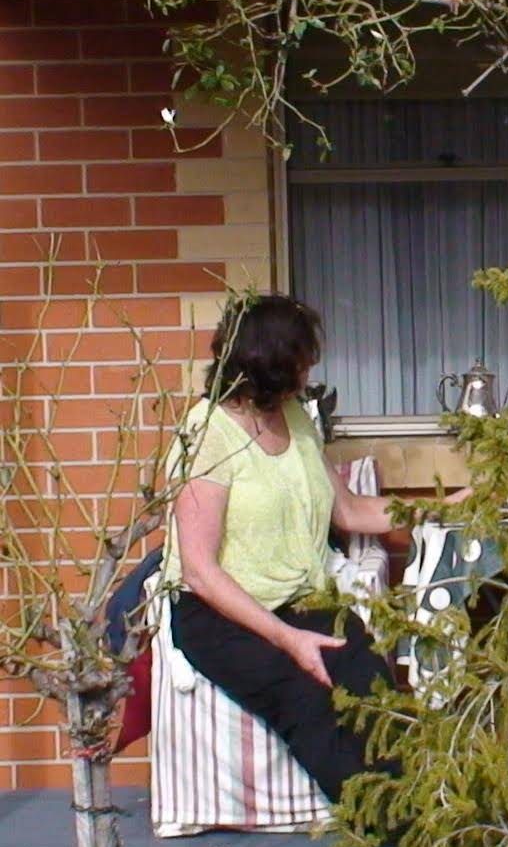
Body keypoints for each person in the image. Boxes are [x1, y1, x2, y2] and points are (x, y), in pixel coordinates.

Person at [162, 294, 461, 807]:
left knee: (368, 677)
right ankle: (386, 820)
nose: (312, 366)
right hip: (220, 614)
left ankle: (432, 806)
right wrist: (288, 640)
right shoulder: (206, 434)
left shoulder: (294, 417)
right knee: (308, 697)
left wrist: (446, 505)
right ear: (272, 360)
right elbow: (200, 570)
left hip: (299, 599)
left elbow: (348, 512)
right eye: (303, 355)